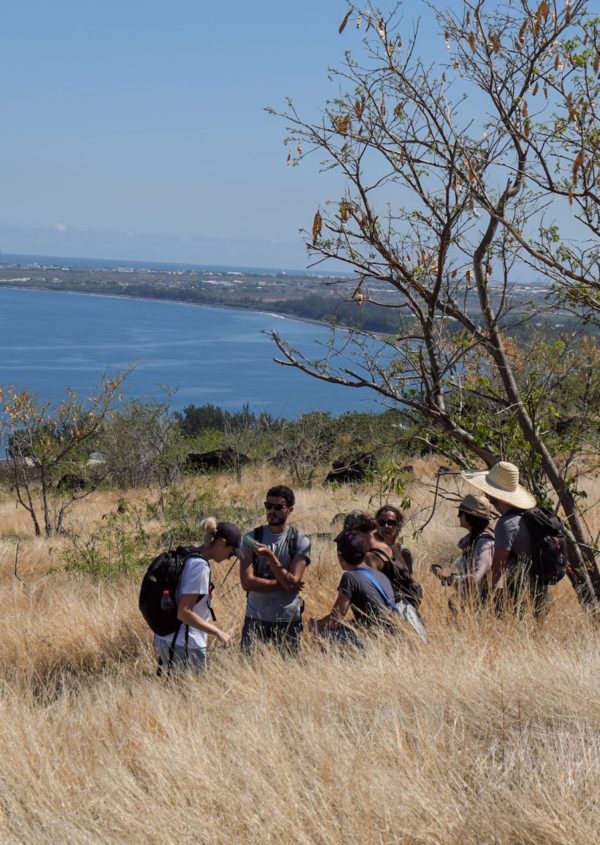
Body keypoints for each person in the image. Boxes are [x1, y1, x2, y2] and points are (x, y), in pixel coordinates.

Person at [154, 518, 241, 673]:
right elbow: (184, 612)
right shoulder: (199, 567)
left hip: (169, 639)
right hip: (185, 643)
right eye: (231, 552)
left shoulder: (189, 554)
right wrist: (218, 632)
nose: (230, 558)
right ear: (222, 543)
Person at [462, 461, 547, 615]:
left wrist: (484, 597)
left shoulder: (506, 524)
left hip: (522, 593)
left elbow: (497, 569)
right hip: (539, 588)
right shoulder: (526, 516)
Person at [240, 485, 311, 654]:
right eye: (268, 506)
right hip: (255, 617)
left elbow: (292, 582)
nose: (272, 511)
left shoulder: (300, 541)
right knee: (249, 666)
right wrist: (284, 584)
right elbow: (247, 583)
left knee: (288, 667)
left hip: (287, 618)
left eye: (278, 507)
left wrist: (270, 557)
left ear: (290, 509)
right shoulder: (251, 538)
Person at [309, 530, 396, 647]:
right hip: (393, 637)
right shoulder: (380, 575)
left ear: (340, 557)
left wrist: (316, 625)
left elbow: (334, 619)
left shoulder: (350, 577)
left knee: (325, 633)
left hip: (376, 640)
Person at [431, 494, 495, 611]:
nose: (458, 516)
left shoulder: (484, 543)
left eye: (461, 513)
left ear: (471, 517)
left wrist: (449, 578)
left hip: (483, 607)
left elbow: (476, 578)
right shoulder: (476, 539)